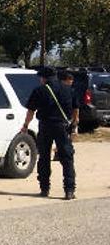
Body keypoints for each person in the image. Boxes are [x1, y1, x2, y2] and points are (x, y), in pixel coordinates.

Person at [20, 67, 76, 200]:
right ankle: (69, 190)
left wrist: (26, 125)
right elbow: (75, 109)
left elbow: (31, 111)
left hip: (45, 126)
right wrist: (73, 126)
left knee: (44, 157)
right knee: (67, 158)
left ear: (44, 78)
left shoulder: (39, 90)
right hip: (62, 127)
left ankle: (44, 189)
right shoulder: (68, 89)